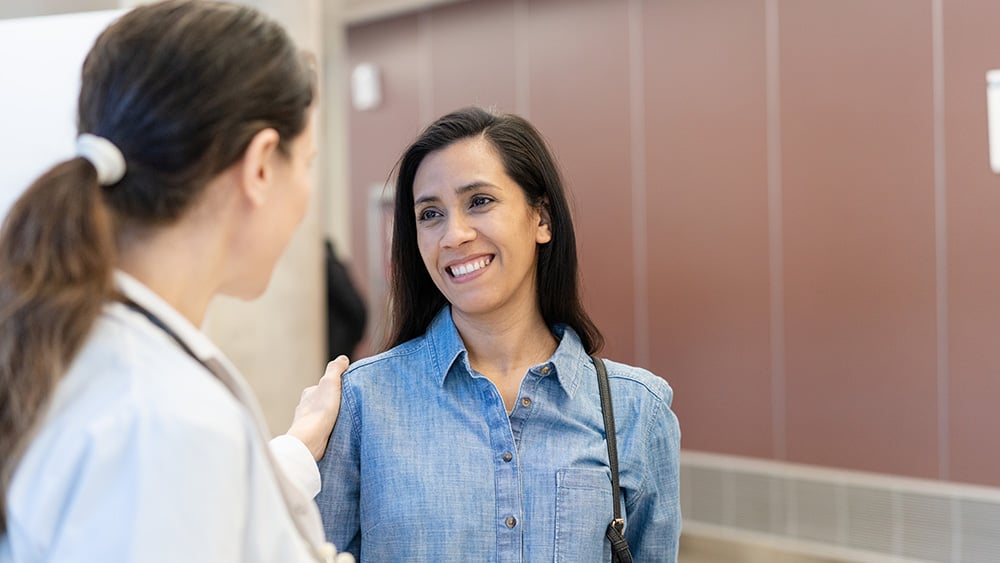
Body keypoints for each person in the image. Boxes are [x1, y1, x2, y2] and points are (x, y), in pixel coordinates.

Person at [0, 2, 352, 561]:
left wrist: (291, 453)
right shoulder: (162, 422)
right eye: (306, 163)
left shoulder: (88, 356)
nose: (306, 194)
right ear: (261, 165)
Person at [315, 107, 681, 561]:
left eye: (479, 201)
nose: (454, 234)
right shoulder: (362, 403)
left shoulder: (636, 411)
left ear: (541, 219)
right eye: (430, 214)